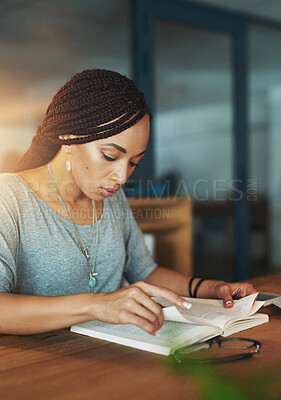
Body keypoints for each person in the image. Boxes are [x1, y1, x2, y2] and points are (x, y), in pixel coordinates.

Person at [0, 69, 255, 336]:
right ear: (69, 137)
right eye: (110, 156)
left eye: (133, 162)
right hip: (42, 366)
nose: (121, 177)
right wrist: (97, 306)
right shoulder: (9, 198)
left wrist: (212, 289)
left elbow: (144, 271)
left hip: (114, 358)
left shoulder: (112, 198)